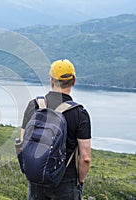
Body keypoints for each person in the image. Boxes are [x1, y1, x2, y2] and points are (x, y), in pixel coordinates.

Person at [20, 59, 91, 200]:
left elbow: (22, 143)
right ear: (74, 81)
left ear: (51, 81)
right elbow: (85, 158)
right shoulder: (79, 113)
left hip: (37, 181)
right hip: (66, 182)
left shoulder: (34, 105)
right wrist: (80, 182)